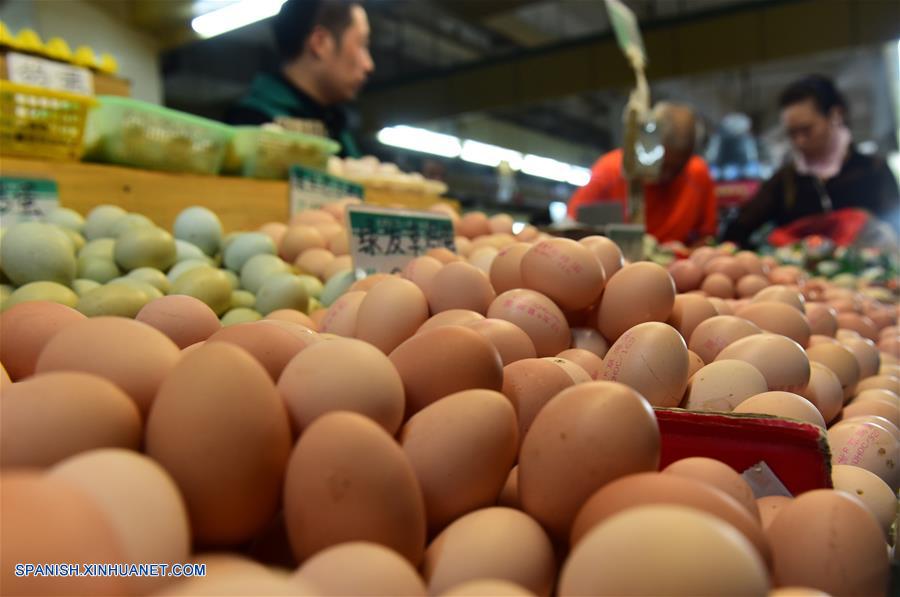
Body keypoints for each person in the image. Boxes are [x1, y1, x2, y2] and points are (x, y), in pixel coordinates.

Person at [723, 75, 900, 247]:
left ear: (835, 116)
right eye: (792, 133)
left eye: (807, 130)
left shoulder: (873, 170)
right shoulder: (784, 182)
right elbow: (736, 231)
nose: (799, 141)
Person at [225, 0, 374, 157]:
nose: (369, 65)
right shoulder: (252, 121)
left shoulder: (339, 128)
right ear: (320, 43)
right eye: (362, 45)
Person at [567, 102, 718, 245]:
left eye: (677, 168)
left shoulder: (698, 175)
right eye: (661, 164)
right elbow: (571, 226)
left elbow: (706, 237)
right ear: (647, 142)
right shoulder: (611, 170)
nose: (666, 175)